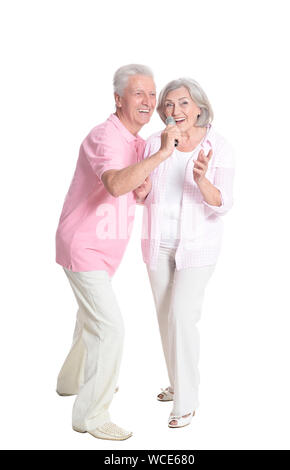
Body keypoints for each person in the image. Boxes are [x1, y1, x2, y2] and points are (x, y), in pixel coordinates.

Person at [55, 64, 180, 440]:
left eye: (151, 94)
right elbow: (113, 184)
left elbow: (134, 189)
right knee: (110, 329)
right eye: (138, 93)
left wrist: (144, 186)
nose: (148, 101)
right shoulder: (105, 136)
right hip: (83, 245)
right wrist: (158, 158)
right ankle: (91, 416)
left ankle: (70, 382)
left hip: (106, 250)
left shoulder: (138, 143)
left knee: (90, 322)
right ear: (118, 99)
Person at [134, 78, 235, 428]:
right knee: (165, 318)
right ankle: (178, 384)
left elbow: (223, 203)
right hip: (157, 243)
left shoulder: (217, 146)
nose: (175, 111)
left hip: (198, 247)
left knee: (181, 315)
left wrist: (202, 179)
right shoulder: (153, 143)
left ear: (198, 107)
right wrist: (142, 190)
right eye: (169, 105)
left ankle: (187, 402)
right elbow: (143, 195)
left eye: (183, 103)